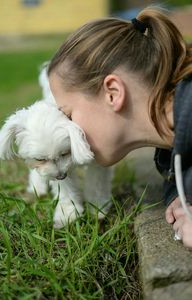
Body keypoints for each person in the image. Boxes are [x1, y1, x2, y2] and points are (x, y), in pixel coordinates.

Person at [47, 6, 192, 248]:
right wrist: (181, 195)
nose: (68, 132)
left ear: (112, 93)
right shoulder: (170, 151)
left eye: (68, 115)